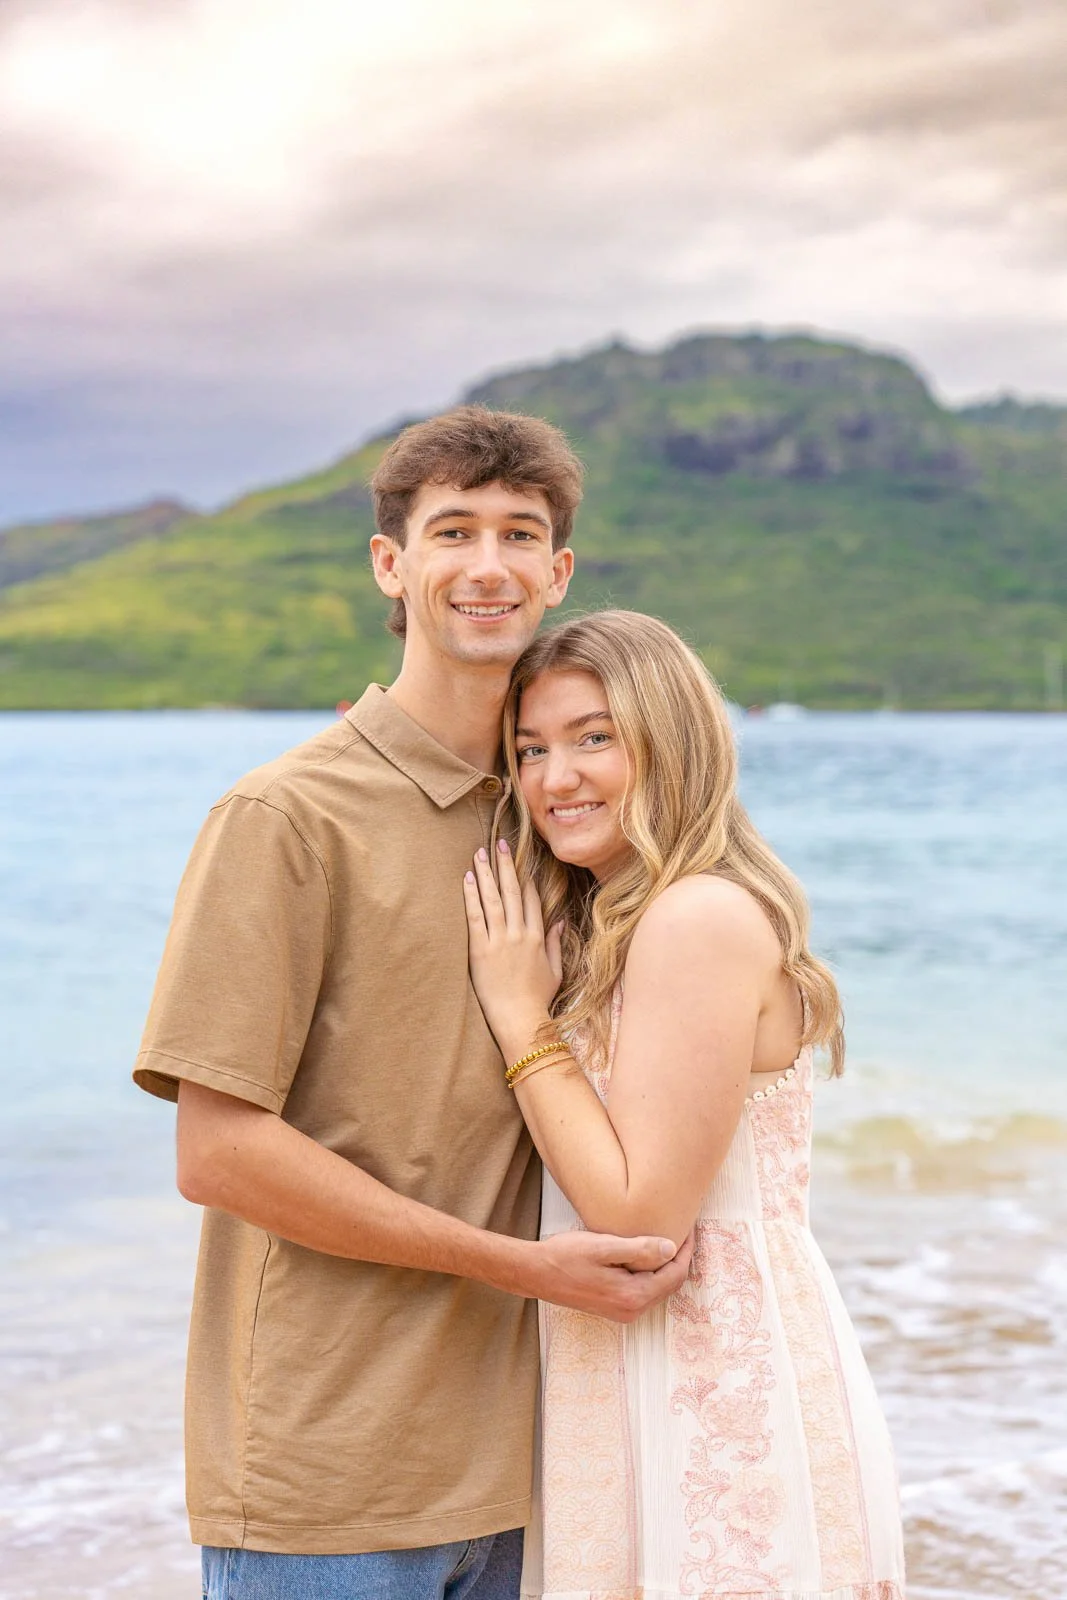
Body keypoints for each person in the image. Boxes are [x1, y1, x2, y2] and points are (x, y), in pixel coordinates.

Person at [132, 412, 692, 1600]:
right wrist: (521, 1266)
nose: (487, 564)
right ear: (391, 564)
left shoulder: (559, 815)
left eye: (518, 534)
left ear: (558, 571)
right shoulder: (284, 818)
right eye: (452, 531)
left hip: (530, 1468)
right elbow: (217, 1152)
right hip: (327, 1479)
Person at [463, 609, 907, 1600]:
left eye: (593, 738)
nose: (554, 779)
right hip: (642, 1361)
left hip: (706, 1379)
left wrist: (516, 1012)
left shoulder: (695, 916)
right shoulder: (619, 918)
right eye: (530, 749)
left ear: (671, 741)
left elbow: (638, 1214)